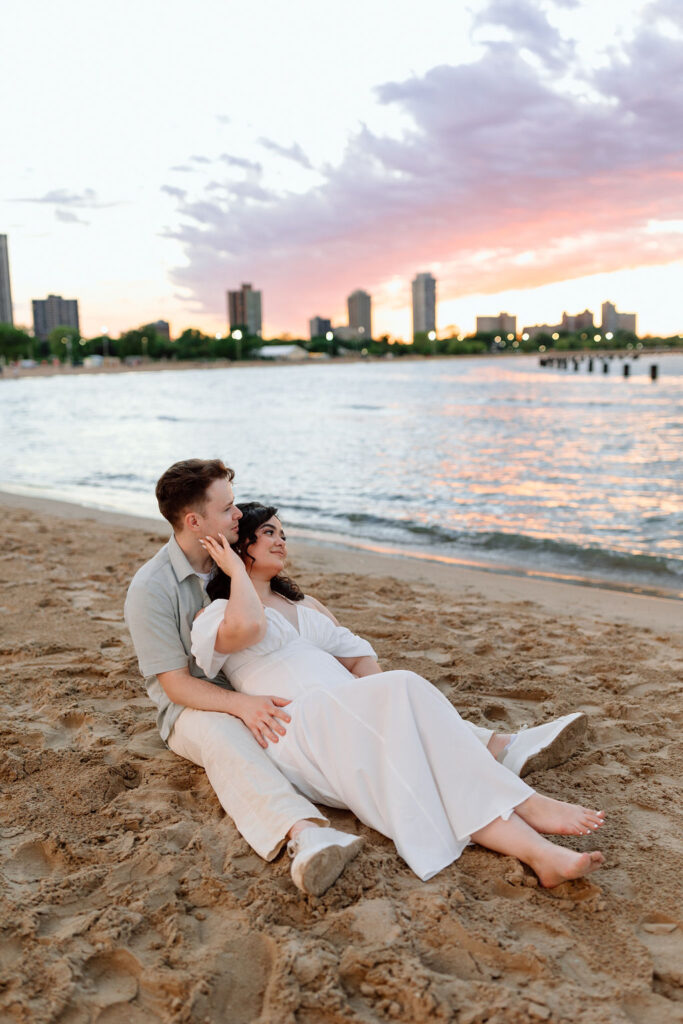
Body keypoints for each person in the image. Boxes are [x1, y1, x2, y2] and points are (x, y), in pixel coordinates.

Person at [125, 460, 590, 897]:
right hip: (205, 705)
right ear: (194, 522)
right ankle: (306, 834)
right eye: (228, 509)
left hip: (312, 708)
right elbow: (177, 681)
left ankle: (535, 843)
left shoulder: (249, 581)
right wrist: (242, 702)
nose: (238, 514)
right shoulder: (166, 590)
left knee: (418, 737)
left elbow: (336, 641)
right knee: (241, 733)